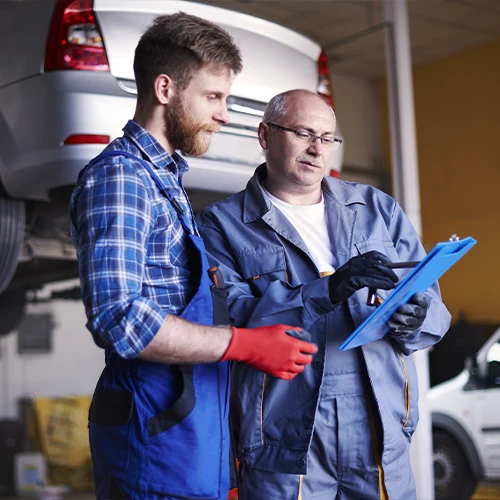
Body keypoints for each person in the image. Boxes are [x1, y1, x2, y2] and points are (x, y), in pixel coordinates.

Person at [69, 18, 317, 500]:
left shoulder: (166, 182)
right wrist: (244, 344)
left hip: (189, 443)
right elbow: (120, 320)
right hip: (151, 446)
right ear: (165, 88)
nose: (224, 114)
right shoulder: (123, 179)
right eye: (213, 97)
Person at [196, 89, 452, 500]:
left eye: (328, 137)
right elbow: (229, 320)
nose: (317, 149)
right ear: (265, 135)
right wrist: (326, 290)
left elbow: (436, 314)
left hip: (379, 429)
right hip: (284, 436)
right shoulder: (221, 225)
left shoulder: (376, 209)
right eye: (303, 133)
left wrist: (417, 317)